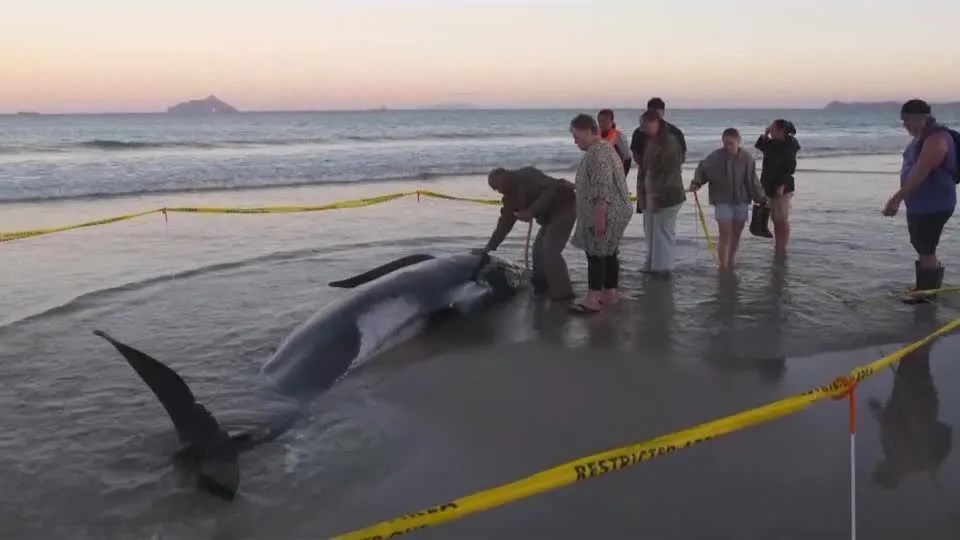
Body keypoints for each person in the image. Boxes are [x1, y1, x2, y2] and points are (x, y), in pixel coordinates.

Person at [882, 99, 958, 304]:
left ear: (921, 118)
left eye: (907, 120)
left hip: (932, 204)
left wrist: (897, 199)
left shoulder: (936, 138)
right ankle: (924, 288)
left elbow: (921, 172)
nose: (904, 125)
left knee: (926, 248)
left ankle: (925, 296)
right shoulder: (923, 137)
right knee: (923, 245)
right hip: (923, 204)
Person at [476, 167, 577, 301]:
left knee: (550, 251)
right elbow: (503, 226)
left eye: (498, 187)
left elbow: (553, 188)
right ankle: (543, 286)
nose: (499, 191)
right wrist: (488, 248)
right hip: (549, 218)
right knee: (538, 251)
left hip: (565, 207)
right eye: (496, 189)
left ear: (506, 175)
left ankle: (563, 295)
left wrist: (531, 211)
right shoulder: (510, 198)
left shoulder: (527, 174)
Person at [567, 113, 634, 313]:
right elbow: (598, 182)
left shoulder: (598, 152)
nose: (575, 141)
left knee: (595, 253)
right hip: (617, 209)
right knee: (609, 253)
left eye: (576, 136)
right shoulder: (604, 148)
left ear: (588, 131)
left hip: (608, 210)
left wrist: (599, 216)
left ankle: (593, 300)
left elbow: (603, 184)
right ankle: (609, 294)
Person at [689, 128, 767, 270]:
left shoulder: (747, 159)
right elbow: (703, 169)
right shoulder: (716, 156)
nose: (728, 146)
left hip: (741, 201)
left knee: (736, 234)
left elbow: (752, 181)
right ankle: (722, 266)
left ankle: (731, 262)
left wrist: (761, 198)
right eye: (725, 143)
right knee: (725, 234)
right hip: (722, 200)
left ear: (738, 142)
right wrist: (697, 182)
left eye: (731, 143)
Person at [637, 109, 686, 278]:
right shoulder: (652, 142)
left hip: (668, 196)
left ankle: (663, 270)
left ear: (656, 122)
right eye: (642, 126)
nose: (643, 130)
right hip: (651, 194)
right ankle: (653, 264)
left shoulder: (669, 143)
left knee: (663, 233)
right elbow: (646, 171)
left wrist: (655, 196)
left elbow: (669, 173)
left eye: (645, 126)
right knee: (652, 231)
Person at [755, 119, 801, 257]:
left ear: (782, 131)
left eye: (774, 129)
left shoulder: (790, 145)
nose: (772, 132)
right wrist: (766, 132)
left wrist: (782, 184)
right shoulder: (772, 144)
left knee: (782, 219)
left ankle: (782, 247)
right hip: (768, 184)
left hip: (782, 186)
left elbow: (790, 167)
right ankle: (777, 245)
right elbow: (760, 145)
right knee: (775, 219)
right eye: (772, 129)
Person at [630, 97, 687, 183]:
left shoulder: (674, 132)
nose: (654, 115)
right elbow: (635, 153)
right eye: (651, 112)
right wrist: (647, 167)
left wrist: (669, 168)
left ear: (663, 112)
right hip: (646, 176)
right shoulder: (639, 132)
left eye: (657, 112)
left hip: (670, 177)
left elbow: (682, 155)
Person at [597, 109, 632, 176]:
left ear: (612, 121)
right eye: (600, 121)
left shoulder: (619, 137)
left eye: (605, 121)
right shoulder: (595, 136)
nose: (602, 124)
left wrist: (622, 178)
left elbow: (628, 159)